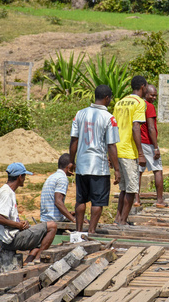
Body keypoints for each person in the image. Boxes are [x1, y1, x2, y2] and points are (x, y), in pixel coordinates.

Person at [69, 85, 120, 234]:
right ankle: (91, 230)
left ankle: (78, 231)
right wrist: (117, 169)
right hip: (99, 166)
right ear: (107, 98)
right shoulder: (109, 118)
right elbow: (111, 145)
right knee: (98, 201)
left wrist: (72, 161)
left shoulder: (80, 114)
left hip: (82, 165)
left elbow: (74, 140)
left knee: (81, 199)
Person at [0, 163, 57, 266]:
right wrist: (18, 225)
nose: (24, 179)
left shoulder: (6, 191)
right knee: (52, 226)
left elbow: (5, 218)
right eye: (24, 176)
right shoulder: (7, 193)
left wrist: (19, 223)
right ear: (20, 177)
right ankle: (37, 262)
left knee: (42, 237)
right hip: (12, 240)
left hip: (9, 238)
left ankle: (28, 262)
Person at [113, 75, 147, 225]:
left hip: (116, 149)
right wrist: (140, 153)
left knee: (124, 188)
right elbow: (135, 127)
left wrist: (111, 153)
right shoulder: (140, 103)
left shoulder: (119, 103)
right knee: (132, 189)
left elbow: (113, 128)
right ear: (142, 87)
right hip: (128, 150)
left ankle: (118, 219)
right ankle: (123, 221)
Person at [138, 84, 167, 207]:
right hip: (148, 143)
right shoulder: (149, 107)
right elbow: (151, 128)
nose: (154, 97)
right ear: (146, 94)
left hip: (139, 142)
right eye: (152, 95)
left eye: (155, 95)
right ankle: (160, 200)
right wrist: (155, 147)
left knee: (138, 171)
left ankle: (136, 200)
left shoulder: (139, 105)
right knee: (157, 170)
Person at [40, 153, 76, 223]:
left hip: (45, 219)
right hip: (53, 221)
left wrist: (68, 214)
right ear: (69, 167)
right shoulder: (62, 178)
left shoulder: (52, 177)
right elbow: (58, 202)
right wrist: (73, 219)